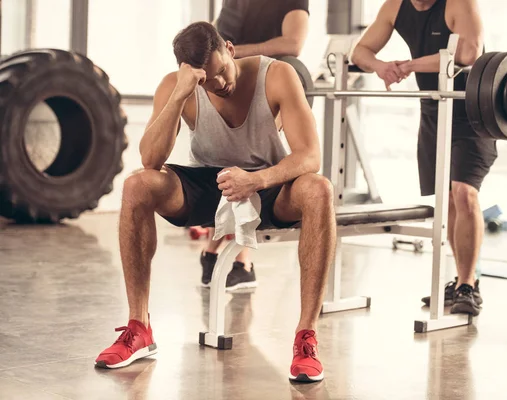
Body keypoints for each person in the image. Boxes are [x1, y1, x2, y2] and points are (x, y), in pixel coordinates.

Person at [95, 22, 334, 383]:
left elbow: (310, 156)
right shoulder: (179, 88)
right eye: (207, 80)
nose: (219, 84)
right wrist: (179, 94)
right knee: (136, 186)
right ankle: (139, 327)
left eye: (221, 71)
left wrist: (257, 179)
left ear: (230, 48)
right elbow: (150, 160)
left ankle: (306, 337)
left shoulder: (277, 76)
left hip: (268, 183)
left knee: (319, 189)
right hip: (210, 183)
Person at [351, 0, 495, 316]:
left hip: (473, 108)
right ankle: (459, 282)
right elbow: (359, 52)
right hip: (434, 109)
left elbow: (470, 52)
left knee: (464, 192)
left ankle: (468, 285)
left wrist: (410, 66)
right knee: (447, 198)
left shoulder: (459, 3)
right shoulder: (395, 7)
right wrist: (381, 66)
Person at [196, 0, 310, 292]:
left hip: (273, 72)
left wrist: (232, 54)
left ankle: (234, 260)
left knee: (252, 155)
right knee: (229, 157)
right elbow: (209, 46)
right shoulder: (233, 4)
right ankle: (224, 258)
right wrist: (222, 60)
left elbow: (293, 44)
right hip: (234, 72)